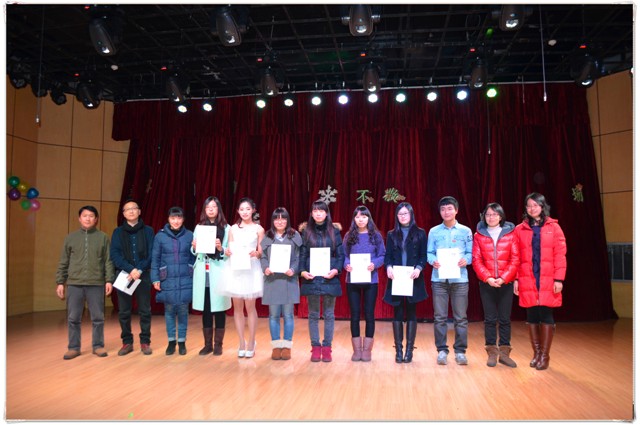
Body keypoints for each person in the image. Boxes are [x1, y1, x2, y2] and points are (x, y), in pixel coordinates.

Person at [514, 192, 567, 371]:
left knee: (546, 315)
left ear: (542, 206)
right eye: (528, 206)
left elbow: (560, 255)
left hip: (547, 278)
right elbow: (516, 257)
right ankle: (536, 353)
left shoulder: (554, 228)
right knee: (531, 316)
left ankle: (545, 355)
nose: (532, 209)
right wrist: (516, 279)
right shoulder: (520, 229)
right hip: (527, 277)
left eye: (535, 205)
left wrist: (559, 279)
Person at [55, 205, 115, 360]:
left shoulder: (103, 237)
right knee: (73, 318)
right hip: (74, 283)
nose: (88, 218)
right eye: (85, 216)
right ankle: (73, 347)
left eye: (91, 216)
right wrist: (60, 282)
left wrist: (109, 280)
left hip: (96, 283)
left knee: (98, 317)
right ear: (79, 218)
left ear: (96, 219)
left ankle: (98, 346)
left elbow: (108, 261)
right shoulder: (70, 238)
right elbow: (63, 261)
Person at [427, 196, 473, 366]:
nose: (446, 212)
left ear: (456, 210)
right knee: (439, 317)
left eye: (449, 208)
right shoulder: (434, 231)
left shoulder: (465, 231)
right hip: (439, 279)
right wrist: (433, 261)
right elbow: (429, 253)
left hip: (459, 279)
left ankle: (460, 351)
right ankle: (441, 350)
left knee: (460, 318)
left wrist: (466, 260)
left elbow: (470, 253)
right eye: (443, 209)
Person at [472, 202, 519, 368]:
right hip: (487, 283)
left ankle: (504, 353)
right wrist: (488, 278)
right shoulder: (479, 235)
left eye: (494, 214)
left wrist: (504, 278)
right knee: (490, 319)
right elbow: (476, 260)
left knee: (505, 318)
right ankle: (492, 352)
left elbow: (515, 259)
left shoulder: (511, 234)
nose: (491, 217)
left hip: (506, 282)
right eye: (488, 214)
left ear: (500, 216)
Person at [299, 200, 344, 362]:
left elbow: (340, 255)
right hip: (311, 278)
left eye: (321, 211)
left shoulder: (334, 231)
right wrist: (302, 271)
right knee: (313, 314)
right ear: (311, 214)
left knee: (329, 314)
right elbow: (302, 254)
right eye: (315, 211)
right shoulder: (306, 231)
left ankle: (327, 347)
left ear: (326, 213)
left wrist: (336, 270)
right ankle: (315, 347)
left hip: (329, 277)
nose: (318, 213)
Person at [220, 197, 265, 359]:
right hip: (236, 269)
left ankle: (252, 342)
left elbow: (261, 252)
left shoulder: (259, 229)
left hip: (251, 269)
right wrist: (227, 251)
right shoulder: (232, 228)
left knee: (250, 307)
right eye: (241, 209)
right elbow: (229, 249)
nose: (245, 212)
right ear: (238, 211)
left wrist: (256, 253)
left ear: (253, 210)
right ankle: (241, 342)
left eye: (248, 209)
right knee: (237, 308)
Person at [384, 202, 428, 364]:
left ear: (411, 214)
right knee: (397, 312)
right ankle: (398, 350)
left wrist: (419, 268)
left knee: (411, 312)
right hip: (397, 278)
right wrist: (388, 267)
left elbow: (423, 255)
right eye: (400, 214)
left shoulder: (420, 233)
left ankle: (409, 350)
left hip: (412, 277)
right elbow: (388, 256)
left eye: (405, 213)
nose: (402, 216)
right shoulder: (391, 234)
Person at [110, 199, 155, 356]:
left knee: (145, 310)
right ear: (123, 214)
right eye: (127, 209)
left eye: (134, 208)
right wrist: (131, 269)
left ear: (139, 211)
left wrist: (139, 270)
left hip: (143, 275)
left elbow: (152, 253)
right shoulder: (117, 232)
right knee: (124, 311)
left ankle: (145, 342)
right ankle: (127, 342)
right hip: (124, 275)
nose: (131, 211)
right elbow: (115, 255)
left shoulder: (148, 231)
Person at [151, 206, 195, 356]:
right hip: (167, 278)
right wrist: (155, 278)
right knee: (169, 311)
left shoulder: (189, 235)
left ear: (183, 219)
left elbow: (194, 257)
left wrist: (191, 270)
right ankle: (171, 342)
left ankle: (182, 342)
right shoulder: (160, 236)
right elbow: (155, 259)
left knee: (183, 311)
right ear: (168, 219)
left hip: (185, 278)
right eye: (173, 218)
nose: (176, 221)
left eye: (179, 218)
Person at [344, 205, 386, 362]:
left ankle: (367, 350)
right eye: (357, 217)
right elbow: (344, 255)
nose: (360, 219)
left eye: (363, 216)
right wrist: (346, 265)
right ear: (354, 219)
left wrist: (374, 264)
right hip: (353, 280)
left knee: (369, 314)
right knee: (354, 314)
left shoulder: (376, 236)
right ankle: (357, 350)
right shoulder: (349, 235)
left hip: (371, 280)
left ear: (368, 218)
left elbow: (382, 255)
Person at [260, 207, 302, 360]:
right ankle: (276, 346)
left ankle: (287, 346)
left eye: (283, 218)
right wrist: (265, 268)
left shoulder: (294, 235)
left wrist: (293, 269)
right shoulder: (268, 236)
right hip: (272, 280)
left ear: (287, 220)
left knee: (289, 315)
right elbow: (263, 257)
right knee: (273, 316)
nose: (280, 221)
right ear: (272, 221)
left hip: (289, 280)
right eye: (276, 218)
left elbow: (298, 257)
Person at [191, 196, 231, 356]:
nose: (211, 209)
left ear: (218, 209)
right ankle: (207, 345)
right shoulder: (199, 227)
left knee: (219, 308)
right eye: (208, 207)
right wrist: (194, 247)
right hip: (203, 271)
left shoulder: (226, 228)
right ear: (204, 210)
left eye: (214, 207)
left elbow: (229, 252)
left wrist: (221, 248)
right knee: (206, 308)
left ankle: (218, 344)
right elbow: (194, 251)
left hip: (218, 271)